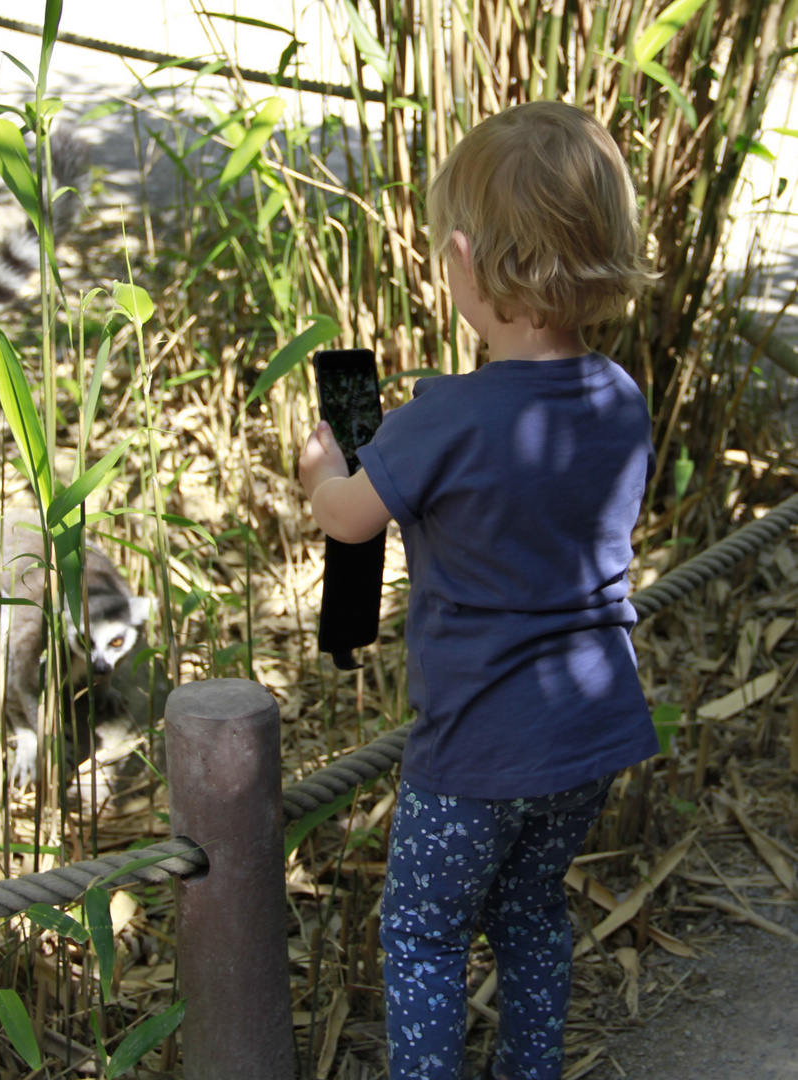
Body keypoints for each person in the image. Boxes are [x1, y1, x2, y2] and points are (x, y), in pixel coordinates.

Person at [299, 101, 660, 1080]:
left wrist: (317, 464)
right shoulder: (621, 399)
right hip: (591, 733)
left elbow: (349, 519)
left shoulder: (443, 417)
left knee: (422, 930)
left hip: (477, 747)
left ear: (461, 259)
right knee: (533, 908)